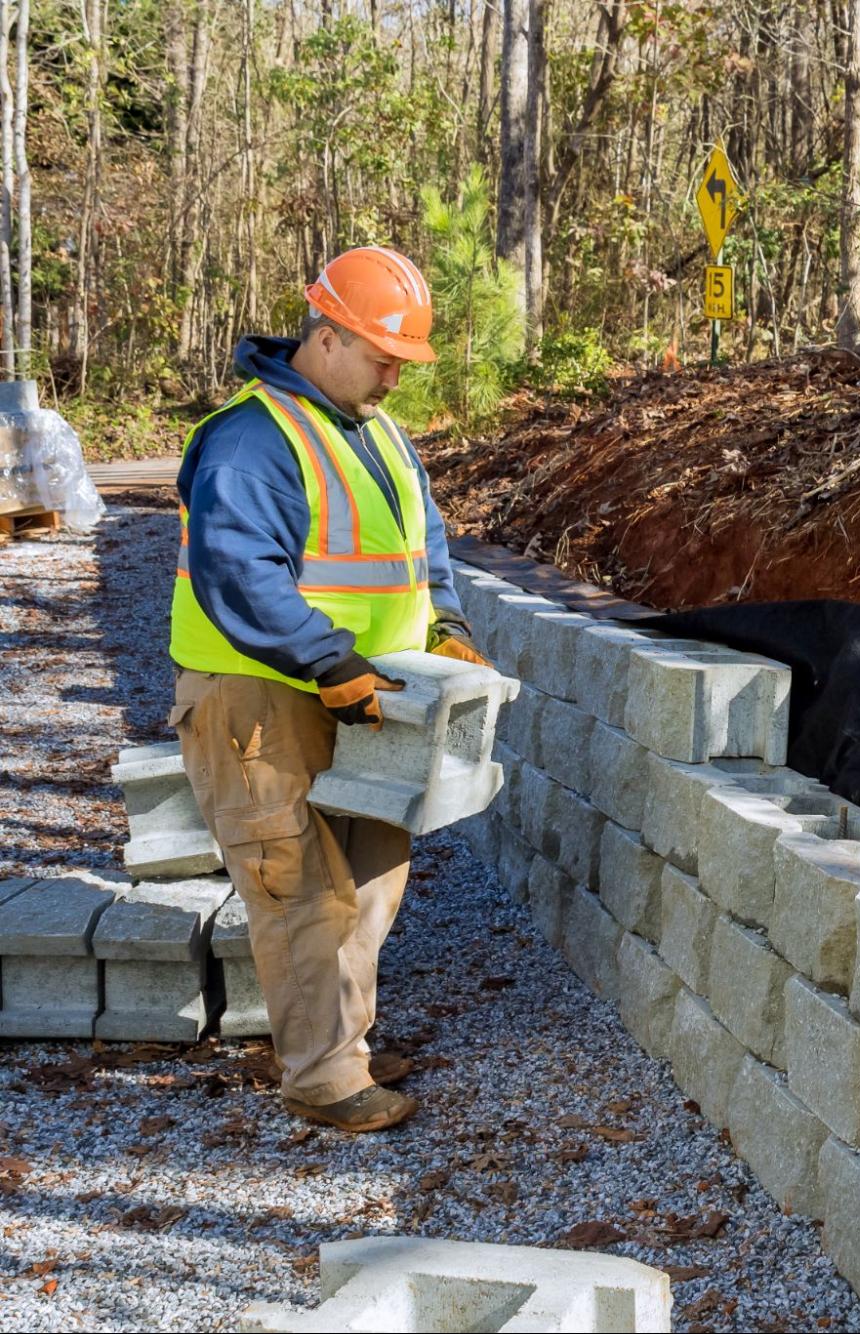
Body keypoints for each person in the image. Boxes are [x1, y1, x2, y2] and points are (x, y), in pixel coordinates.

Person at [169, 247, 487, 1133]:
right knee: (300, 888)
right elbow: (240, 579)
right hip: (262, 699)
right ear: (327, 335)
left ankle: (338, 1042)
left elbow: (425, 552)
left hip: (369, 694)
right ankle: (321, 1077)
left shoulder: (377, 431)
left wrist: (448, 632)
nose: (395, 376)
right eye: (384, 356)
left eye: (402, 361)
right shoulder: (249, 440)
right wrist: (331, 663)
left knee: (374, 874)